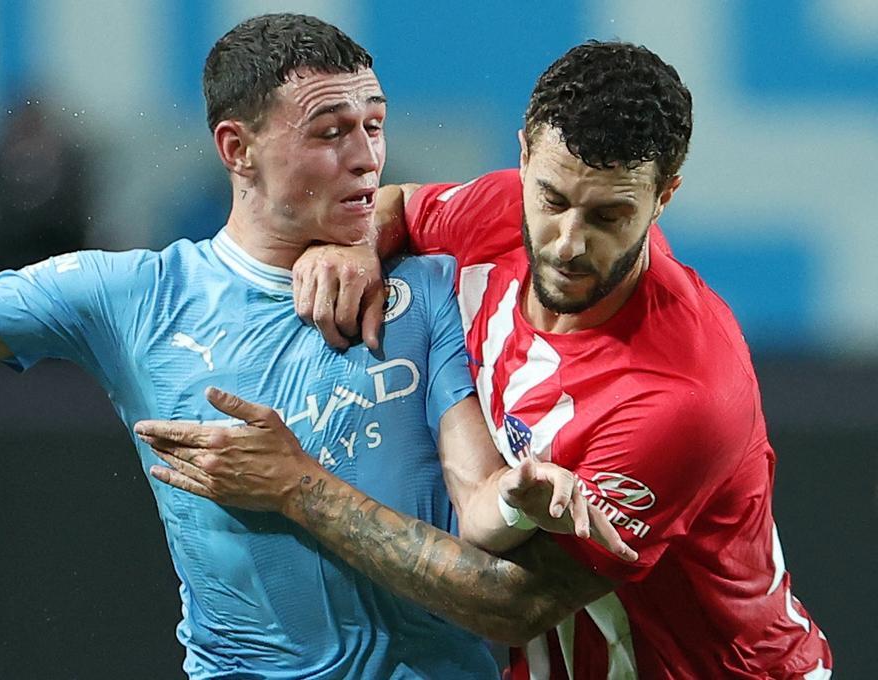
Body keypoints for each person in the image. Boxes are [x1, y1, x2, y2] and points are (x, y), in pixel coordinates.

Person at [0, 14, 629, 679]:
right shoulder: (134, 296)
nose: (366, 158)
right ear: (238, 148)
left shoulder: (426, 291)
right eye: (331, 133)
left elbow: (474, 498)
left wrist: (517, 496)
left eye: (375, 126)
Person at [137, 41, 833, 678]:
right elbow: (400, 207)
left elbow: (515, 605)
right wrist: (353, 244)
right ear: (525, 155)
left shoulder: (681, 397)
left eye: (608, 216)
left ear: (663, 198)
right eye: (553, 199)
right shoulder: (501, 209)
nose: (566, 242)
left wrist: (296, 487)